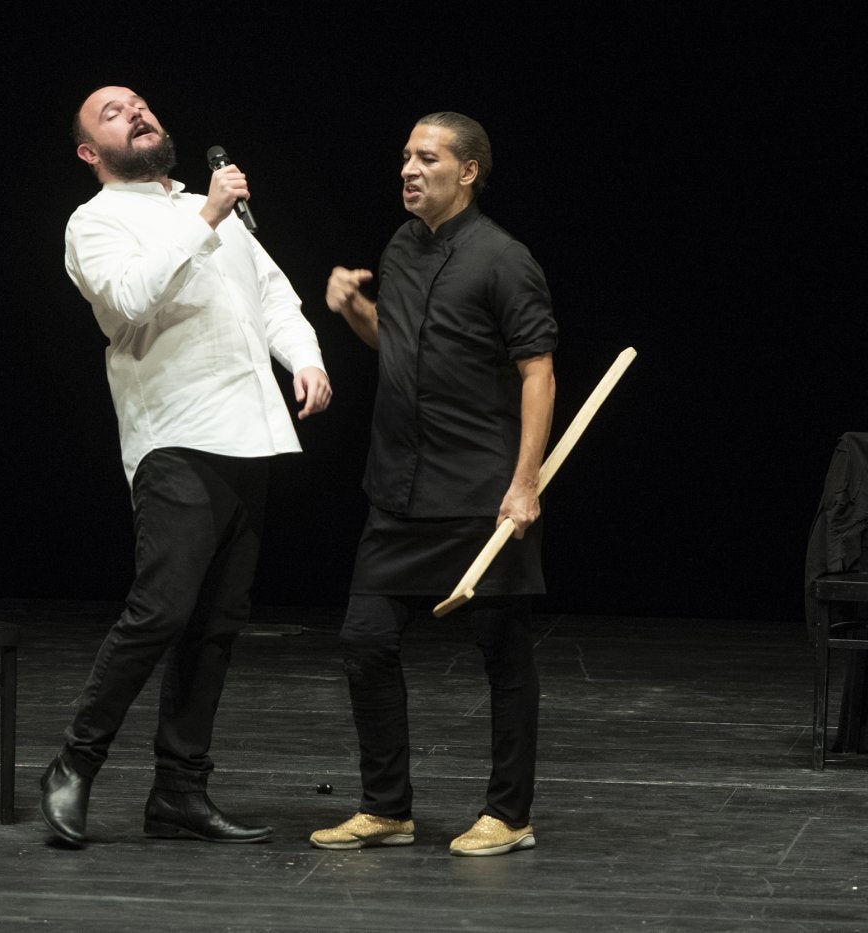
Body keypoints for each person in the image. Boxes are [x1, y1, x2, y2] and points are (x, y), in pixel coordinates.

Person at [40, 85, 333, 847]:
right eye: (113, 113)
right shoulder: (94, 221)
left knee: (215, 624)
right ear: (88, 152)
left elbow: (270, 291)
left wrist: (303, 356)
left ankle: (179, 790)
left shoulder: (212, 204)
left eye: (139, 103)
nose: (135, 113)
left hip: (250, 433)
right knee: (162, 608)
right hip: (175, 433)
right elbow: (129, 301)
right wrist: (205, 220)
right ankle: (74, 763)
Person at [310, 112, 557, 857]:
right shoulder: (399, 247)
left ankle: (509, 814)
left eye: (426, 158)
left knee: (503, 653)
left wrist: (523, 483)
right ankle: (387, 806)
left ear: (469, 170)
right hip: (399, 486)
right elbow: (402, 345)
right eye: (405, 158)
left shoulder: (504, 259)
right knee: (365, 639)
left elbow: (537, 369)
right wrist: (358, 312)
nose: (408, 170)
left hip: (480, 491)